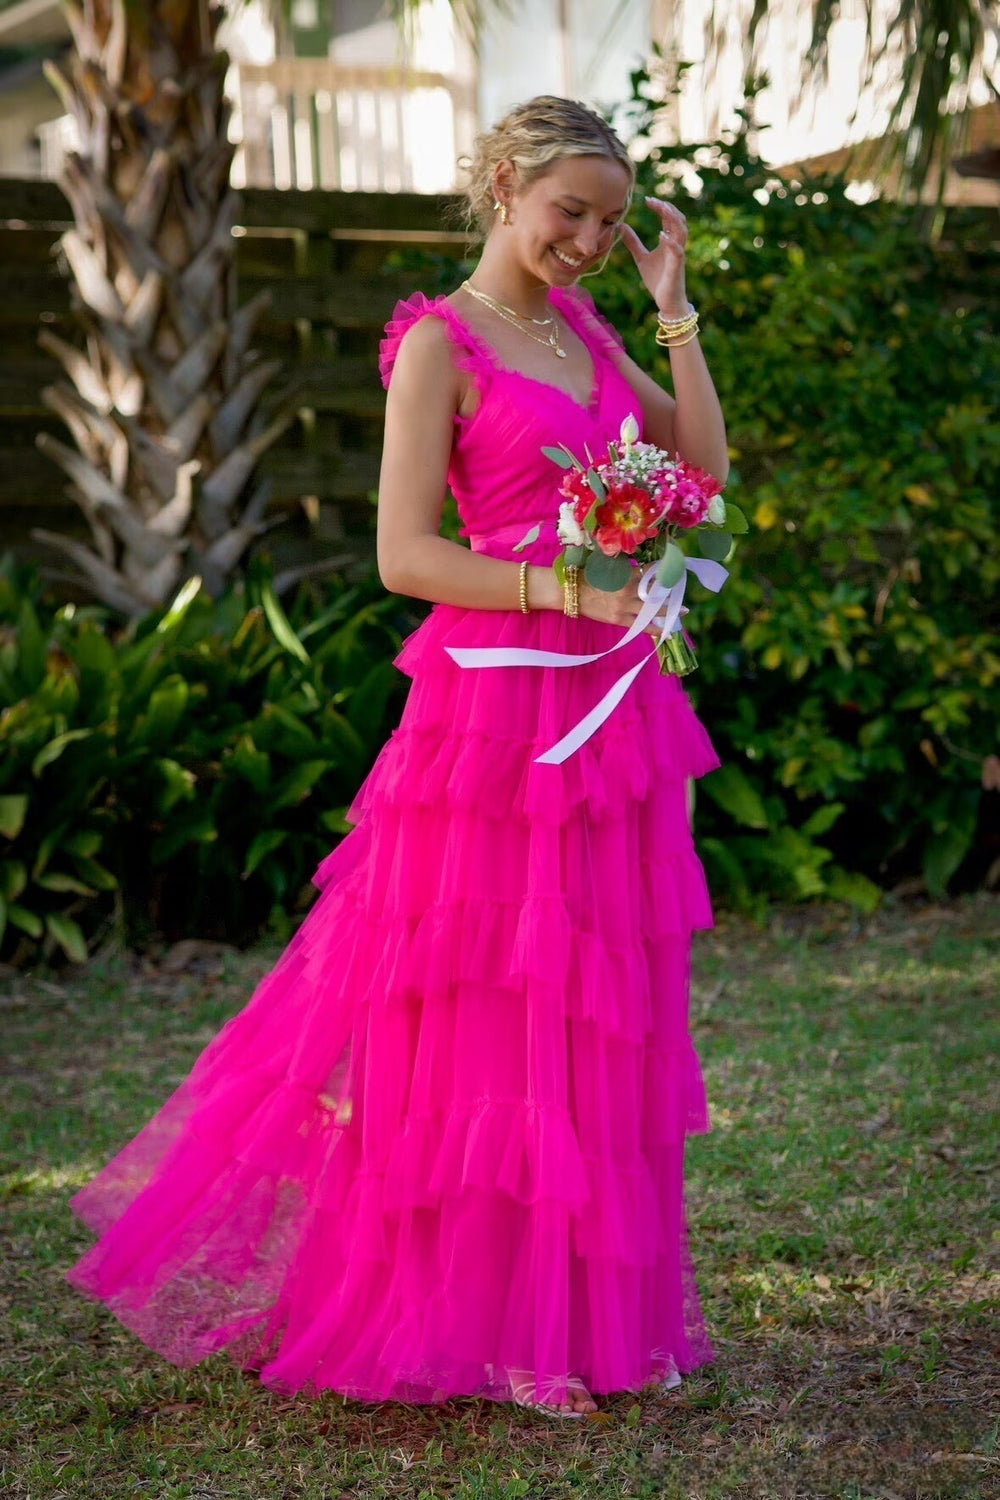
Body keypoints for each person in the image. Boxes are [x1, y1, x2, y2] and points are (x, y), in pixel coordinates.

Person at [67, 95, 728, 1420]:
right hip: (490, 720)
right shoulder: (440, 345)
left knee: (595, 1010)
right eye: (572, 214)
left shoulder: (589, 329)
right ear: (502, 185)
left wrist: (674, 307)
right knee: (489, 1012)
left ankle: (587, 1313)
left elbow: (700, 478)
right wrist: (560, 593)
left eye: (609, 220)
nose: (591, 238)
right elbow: (402, 556)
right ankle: (497, 1328)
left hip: (607, 721)